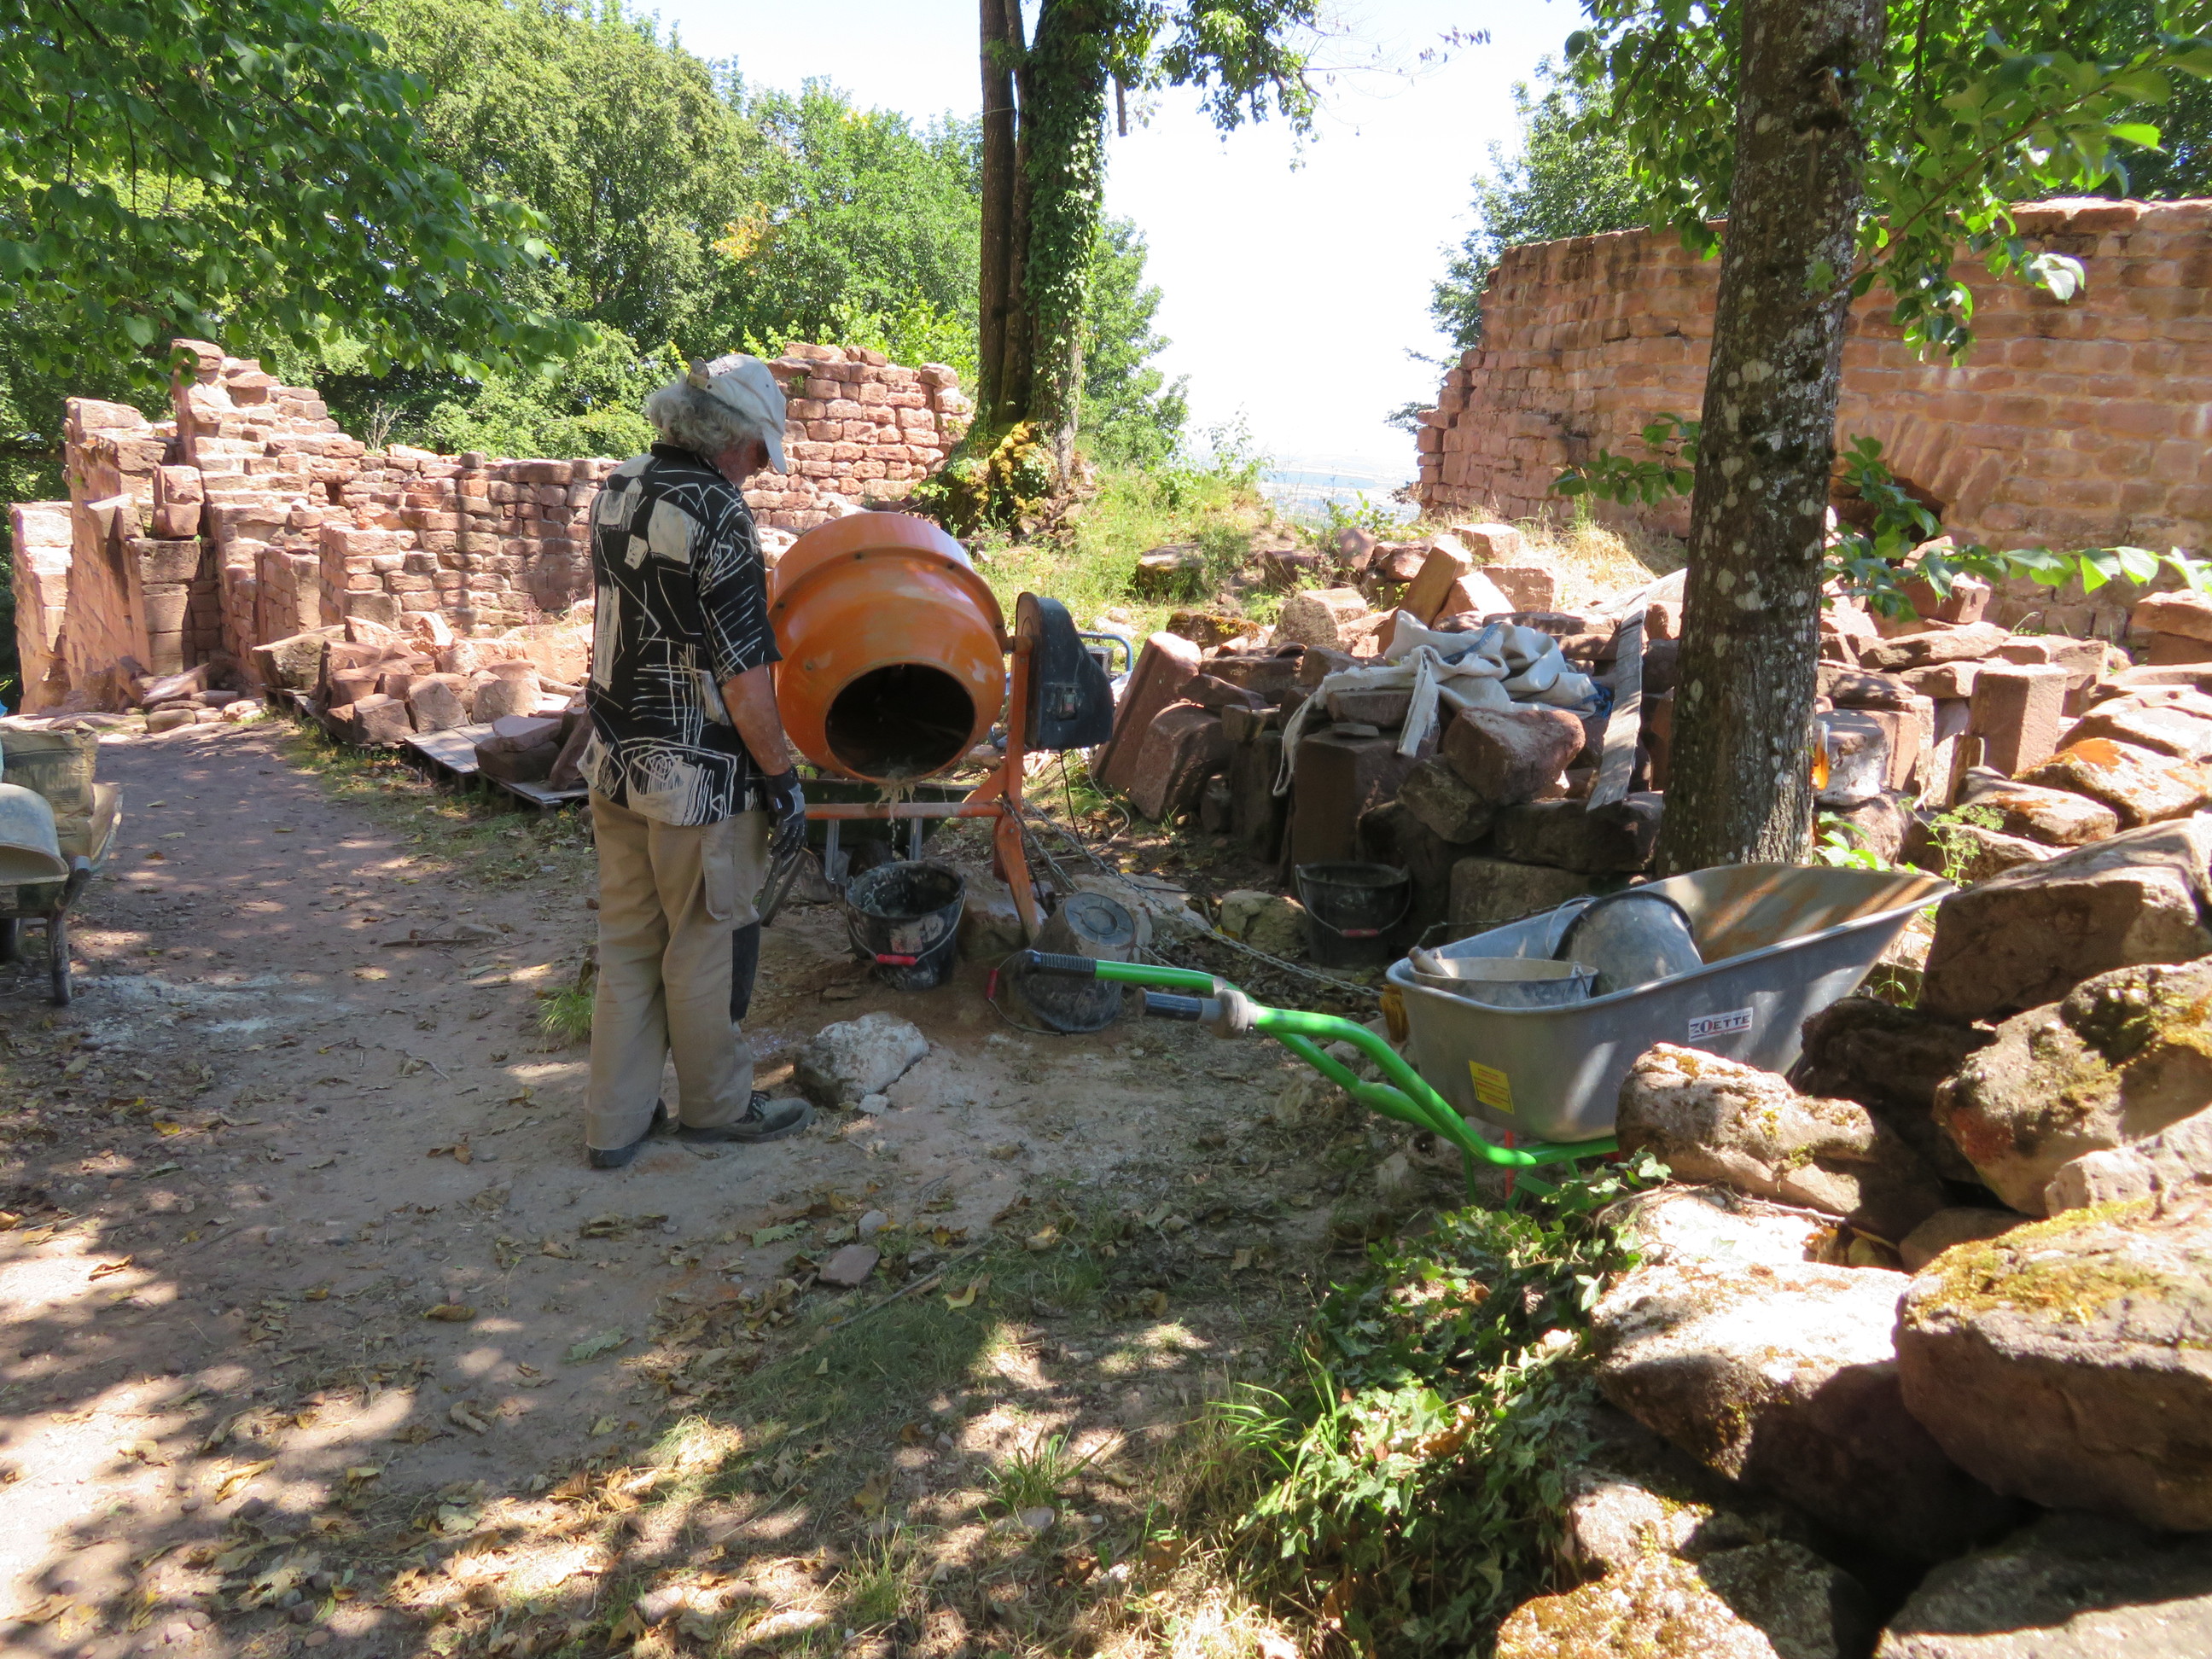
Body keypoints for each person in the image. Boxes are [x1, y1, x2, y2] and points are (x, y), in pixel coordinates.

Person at [578, 353, 812, 1168]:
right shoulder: (719, 512)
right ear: (729, 439)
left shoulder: (619, 484)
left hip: (616, 759)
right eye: (759, 452)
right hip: (697, 781)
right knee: (704, 942)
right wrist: (781, 778)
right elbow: (744, 675)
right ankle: (717, 1108)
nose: (761, 469)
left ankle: (614, 1124)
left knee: (629, 941)